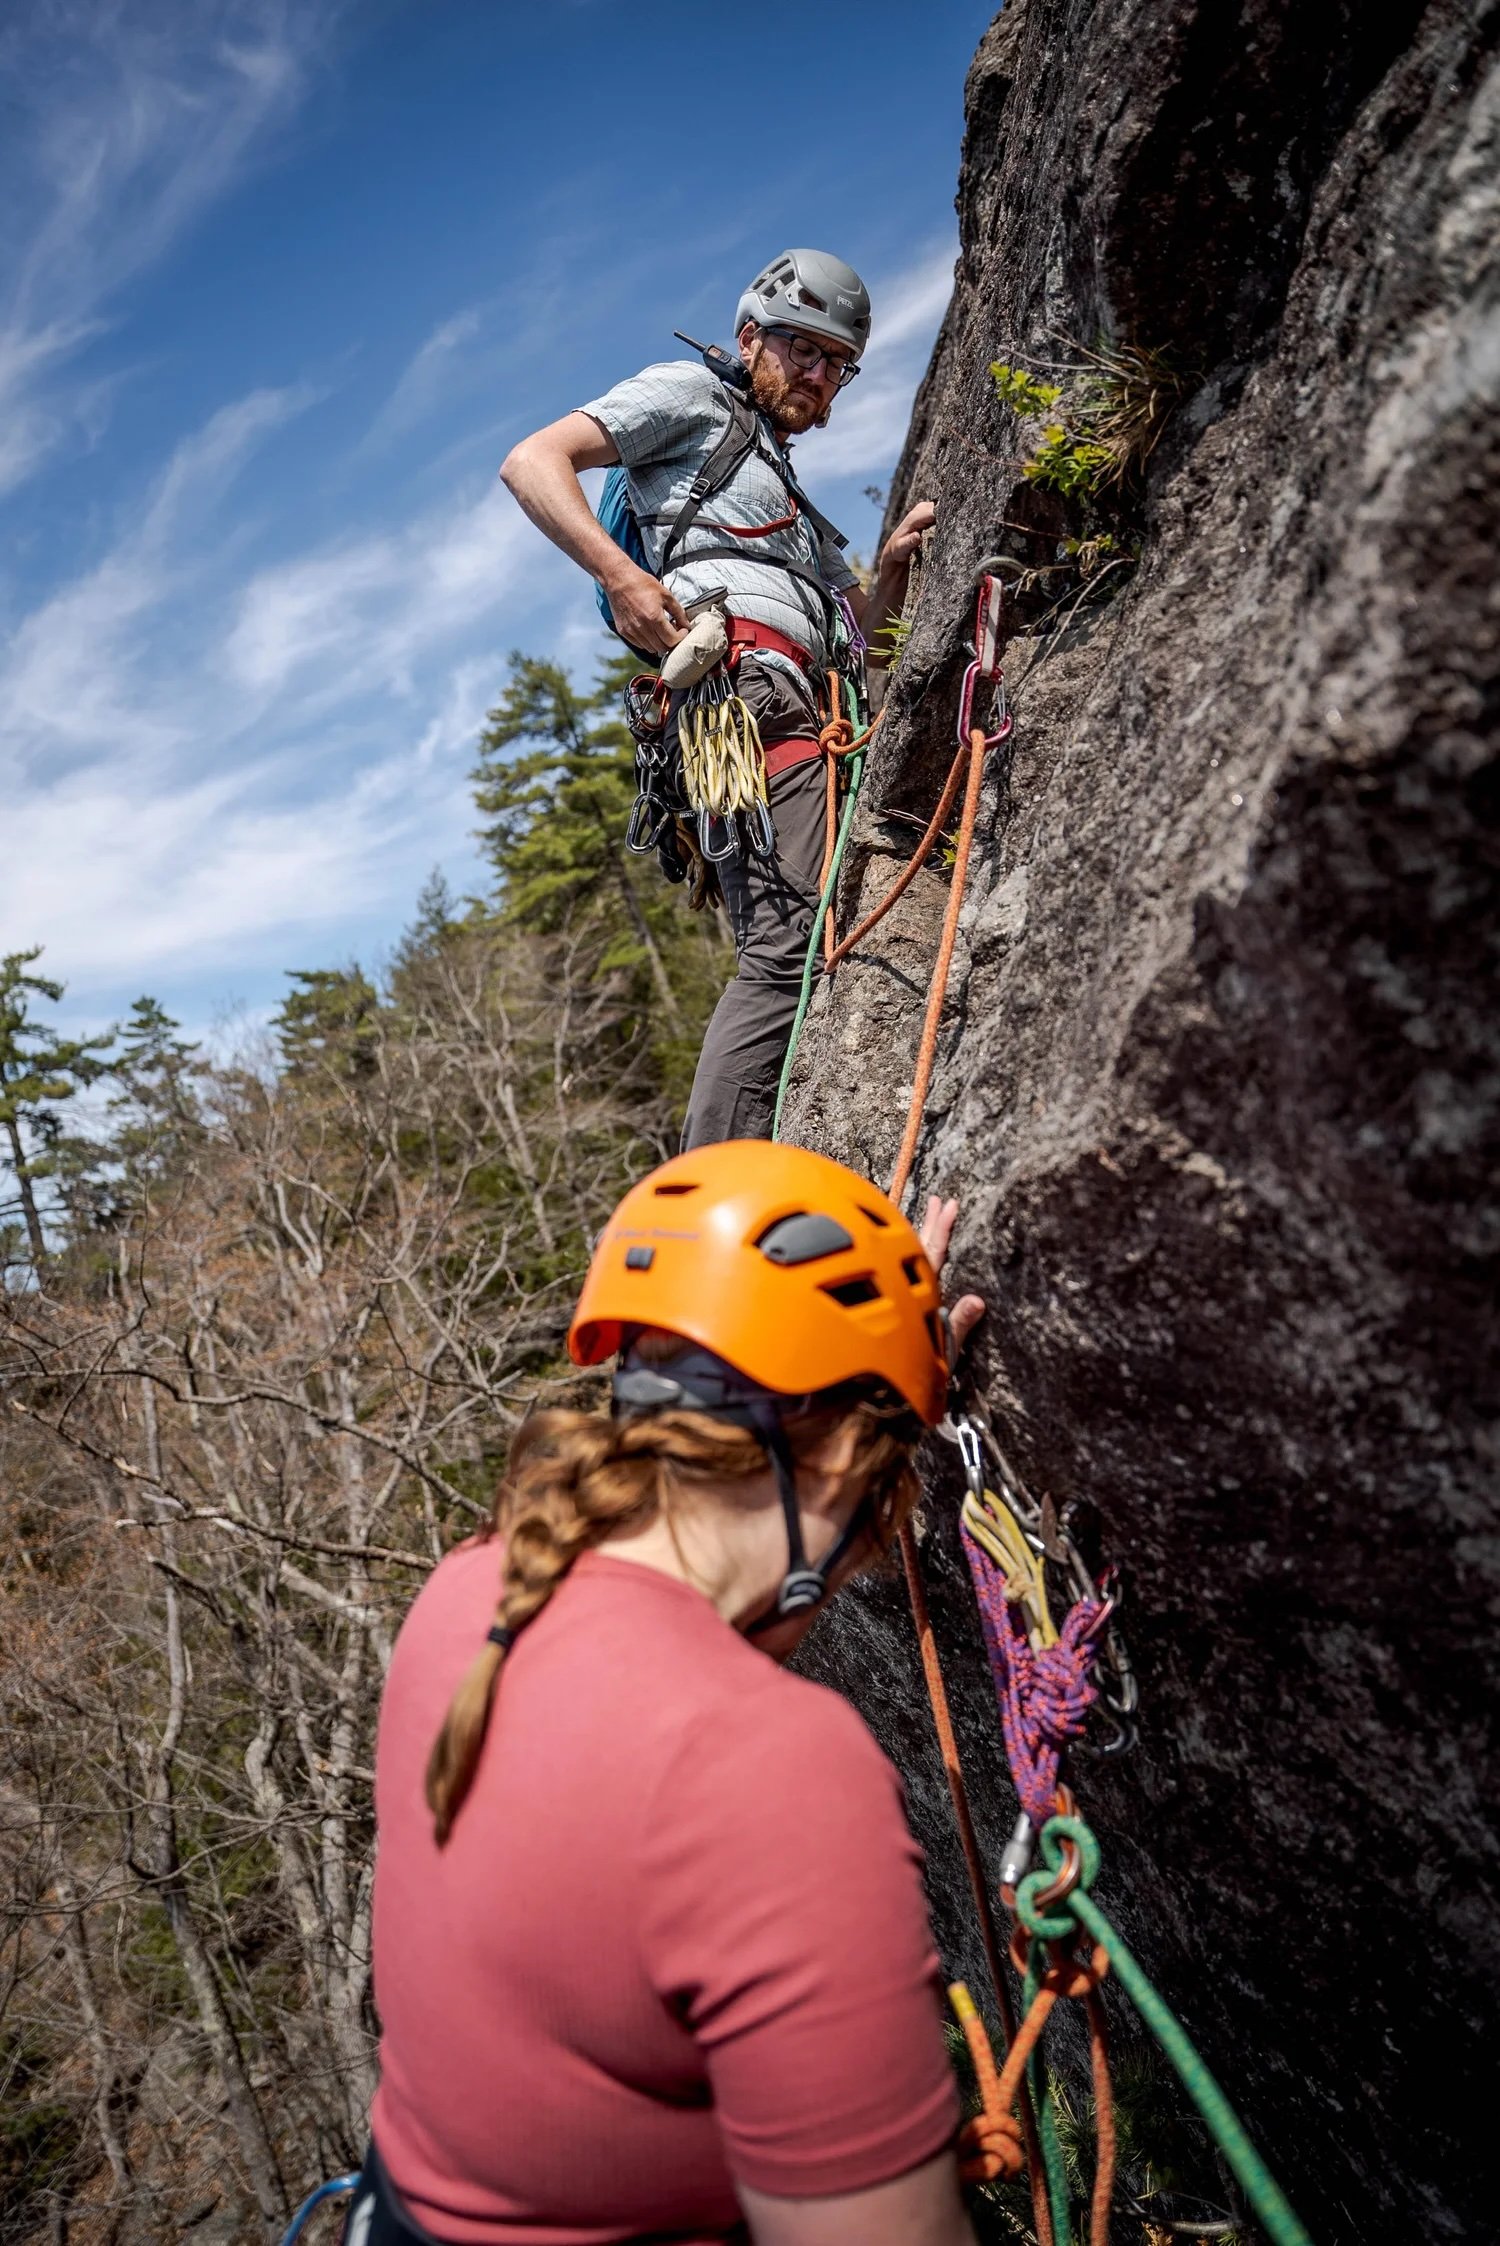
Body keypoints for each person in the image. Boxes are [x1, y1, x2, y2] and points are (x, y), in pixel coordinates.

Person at [358, 1139, 986, 2245]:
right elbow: (712, 1770)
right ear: (845, 1456)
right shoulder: (773, 1774)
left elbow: (664, 1723)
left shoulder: (474, 1591)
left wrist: (875, 1384)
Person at [500, 250, 935, 1150]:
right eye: (800, 350)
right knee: (786, 951)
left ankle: (735, 1174)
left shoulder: (779, 487)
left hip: (793, 701)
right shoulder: (692, 399)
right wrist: (621, 575)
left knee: (791, 946)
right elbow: (533, 461)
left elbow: (861, 635)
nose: (817, 376)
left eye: (836, 364)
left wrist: (887, 571)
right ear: (749, 338)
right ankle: (713, 1195)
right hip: (742, 699)